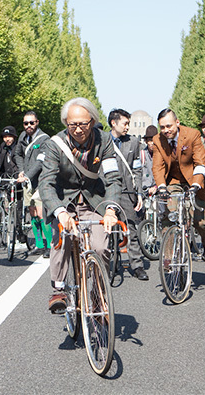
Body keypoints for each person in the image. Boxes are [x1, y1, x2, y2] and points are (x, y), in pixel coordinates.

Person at [38, 97, 121, 313]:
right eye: (72, 124)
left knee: (102, 246)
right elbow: (46, 182)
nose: (78, 129)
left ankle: (97, 294)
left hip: (95, 201)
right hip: (64, 201)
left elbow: (112, 178)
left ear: (92, 121)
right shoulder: (55, 144)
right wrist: (60, 212)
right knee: (62, 237)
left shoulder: (104, 140)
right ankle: (58, 290)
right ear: (66, 123)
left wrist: (111, 209)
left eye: (83, 124)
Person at [152, 108, 205, 265]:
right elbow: (158, 167)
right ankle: (168, 257)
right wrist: (161, 187)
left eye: (169, 126)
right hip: (173, 182)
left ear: (177, 123)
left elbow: (200, 162)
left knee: (200, 222)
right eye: (162, 127)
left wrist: (195, 185)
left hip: (194, 181)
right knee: (169, 217)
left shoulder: (192, 135)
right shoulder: (157, 140)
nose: (166, 130)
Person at [107, 108, 148, 281]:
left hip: (127, 191)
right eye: (125, 123)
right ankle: (113, 262)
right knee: (109, 229)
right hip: (107, 191)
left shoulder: (133, 142)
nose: (127, 127)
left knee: (132, 228)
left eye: (129, 123)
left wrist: (139, 192)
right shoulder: (102, 141)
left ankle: (137, 265)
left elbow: (137, 169)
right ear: (113, 123)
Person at [14, 111, 52, 257]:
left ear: (37, 122)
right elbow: (18, 154)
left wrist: (27, 176)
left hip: (41, 180)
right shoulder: (23, 137)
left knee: (41, 212)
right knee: (32, 212)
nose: (28, 126)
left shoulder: (45, 139)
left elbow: (40, 162)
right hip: (27, 181)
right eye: (25, 123)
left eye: (31, 122)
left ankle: (49, 245)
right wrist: (22, 171)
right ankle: (39, 244)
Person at [140, 125, 158, 196]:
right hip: (144, 192)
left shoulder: (162, 155)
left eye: (154, 140)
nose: (152, 143)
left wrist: (156, 187)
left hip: (158, 190)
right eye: (150, 140)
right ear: (146, 141)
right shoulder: (141, 154)